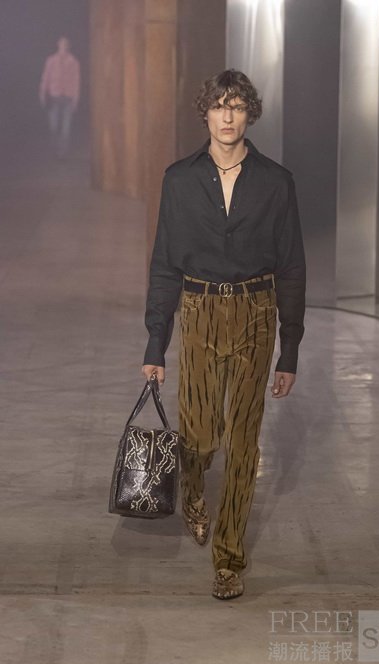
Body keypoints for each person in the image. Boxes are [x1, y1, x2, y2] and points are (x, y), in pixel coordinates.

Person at [141, 69, 306, 600]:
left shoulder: (276, 182)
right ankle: (192, 489)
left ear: (249, 113)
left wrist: (290, 348)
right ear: (206, 114)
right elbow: (165, 264)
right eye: (218, 106)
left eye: (236, 106)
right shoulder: (179, 179)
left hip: (256, 313)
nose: (227, 116)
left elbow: (292, 267)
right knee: (199, 435)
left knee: (242, 441)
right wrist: (155, 342)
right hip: (200, 310)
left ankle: (229, 559)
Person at [39, 36, 80, 158]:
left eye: (66, 44)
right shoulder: (51, 60)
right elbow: (46, 77)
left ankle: (62, 153)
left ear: (68, 46)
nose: (63, 46)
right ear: (58, 45)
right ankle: (54, 149)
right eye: (62, 44)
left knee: (66, 128)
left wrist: (76, 98)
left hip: (68, 97)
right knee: (54, 126)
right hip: (54, 96)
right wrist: (42, 93)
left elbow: (76, 80)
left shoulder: (73, 62)